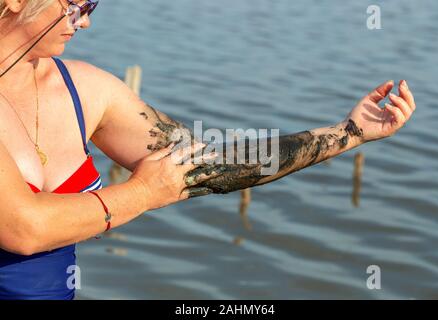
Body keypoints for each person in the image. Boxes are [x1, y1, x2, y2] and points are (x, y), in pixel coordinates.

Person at [0, 0, 416, 300]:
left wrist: (348, 132)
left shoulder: (86, 89)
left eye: (92, 8)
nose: (84, 22)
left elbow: (208, 166)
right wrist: (143, 193)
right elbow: (25, 229)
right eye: (76, 5)